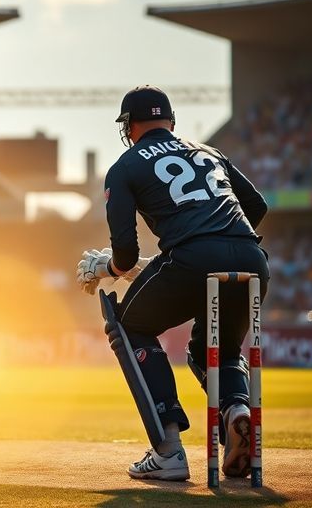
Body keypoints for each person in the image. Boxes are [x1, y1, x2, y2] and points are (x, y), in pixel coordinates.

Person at [76, 85, 269, 481]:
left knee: (129, 328)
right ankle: (237, 412)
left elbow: (125, 253)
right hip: (252, 259)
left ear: (129, 126)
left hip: (192, 261)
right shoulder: (209, 152)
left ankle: (168, 450)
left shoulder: (126, 166)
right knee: (217, 349)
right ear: (171, 120)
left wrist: (109, 269)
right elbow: (258, 207)